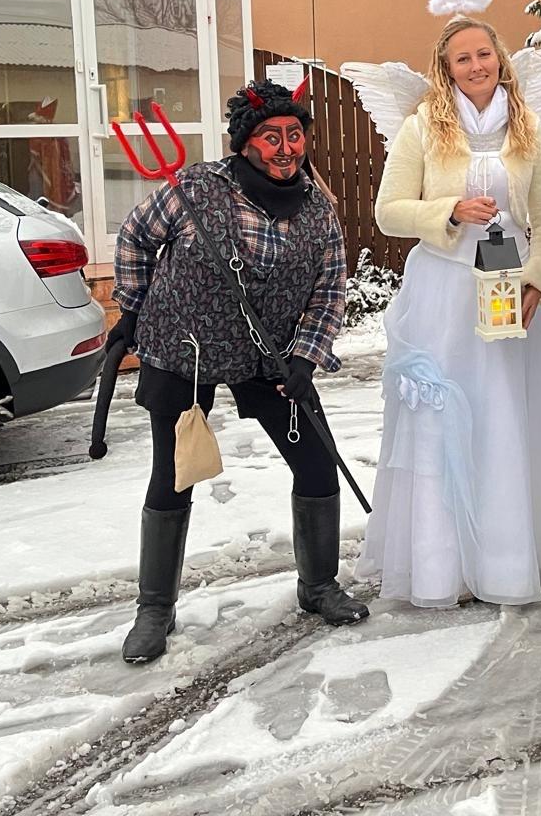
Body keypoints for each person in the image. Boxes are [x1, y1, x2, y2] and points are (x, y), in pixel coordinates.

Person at [109, 79, 368, 665]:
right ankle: (155, 608)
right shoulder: (197, 188)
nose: (285, 148)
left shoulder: (318, 210)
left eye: (294, 135)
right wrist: (133, 306)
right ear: (246, 144)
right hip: (186, 347)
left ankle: (319, 585)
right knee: (173, 474)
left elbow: (330, 288)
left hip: (268, 354)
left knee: (315, 461)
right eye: (270, 137)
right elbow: (135, 237)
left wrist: (305, 357)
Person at [352, 0, 541, 607]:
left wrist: (540, 279)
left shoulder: (530, 130)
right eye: (463, 59)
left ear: (500, 60)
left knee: (504, 417)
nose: (477, 66)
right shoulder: (423, 126)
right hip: (444, 292)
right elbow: (388, 212)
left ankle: (506, 562)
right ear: (445, 68)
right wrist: (449, 209)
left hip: (509, 294)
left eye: (485, 54)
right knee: (443, 421)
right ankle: (439, 566)